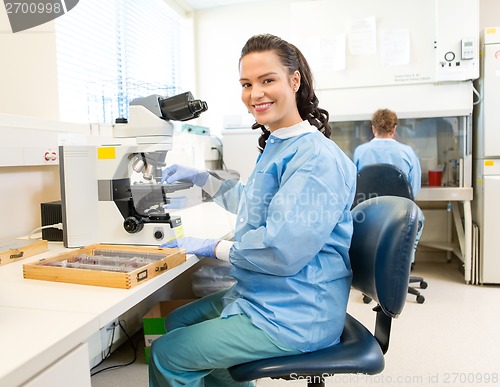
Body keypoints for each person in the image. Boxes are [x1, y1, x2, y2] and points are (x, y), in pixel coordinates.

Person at [149, 33, 356, 387]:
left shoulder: (315, 158)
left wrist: (211, 247)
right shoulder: (279, 145)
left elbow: (282, 251)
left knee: (167, 353)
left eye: (267, 80)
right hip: (266, 293)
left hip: (296, 312)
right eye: (246, 84)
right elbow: (251, 203)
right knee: (176, 322)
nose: (255, 94)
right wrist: (201, 178)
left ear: (295, 80)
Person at [353, 108, 424, 264]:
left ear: (373, 128)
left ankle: (367, 264)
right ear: (394, 128)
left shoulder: (360, 152)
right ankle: (405, 262)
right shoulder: (408, 152)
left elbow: (354, 186)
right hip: (399, 213)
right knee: (419, 217)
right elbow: (414, 189)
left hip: (367, 212)